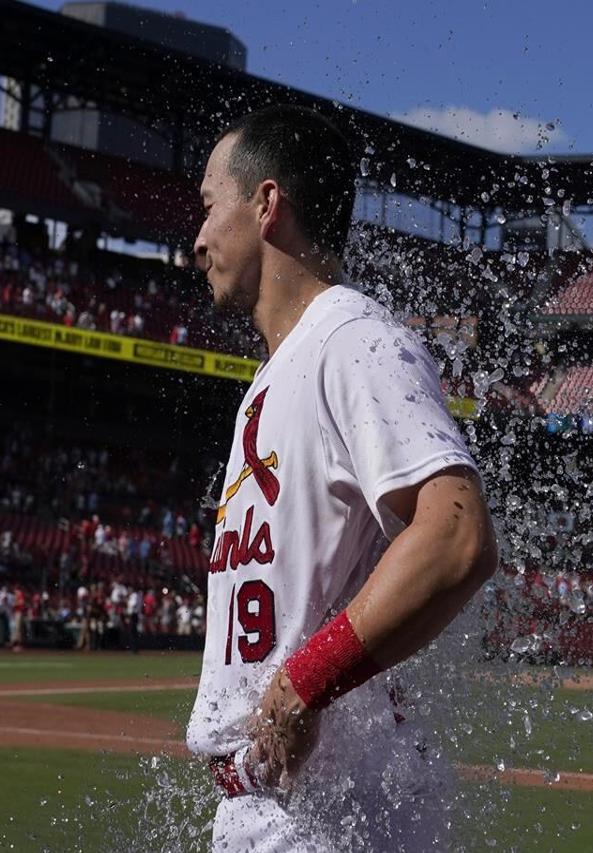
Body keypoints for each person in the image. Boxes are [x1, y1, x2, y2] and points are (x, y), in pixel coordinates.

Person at [185, 105, 498, 852]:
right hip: (287, 807)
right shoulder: (276, 373)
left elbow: (456, 534)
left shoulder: (350, 339)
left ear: (266, 205)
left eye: (207, 207)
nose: (195, 241)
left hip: (326, 817)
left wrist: (302, 684)